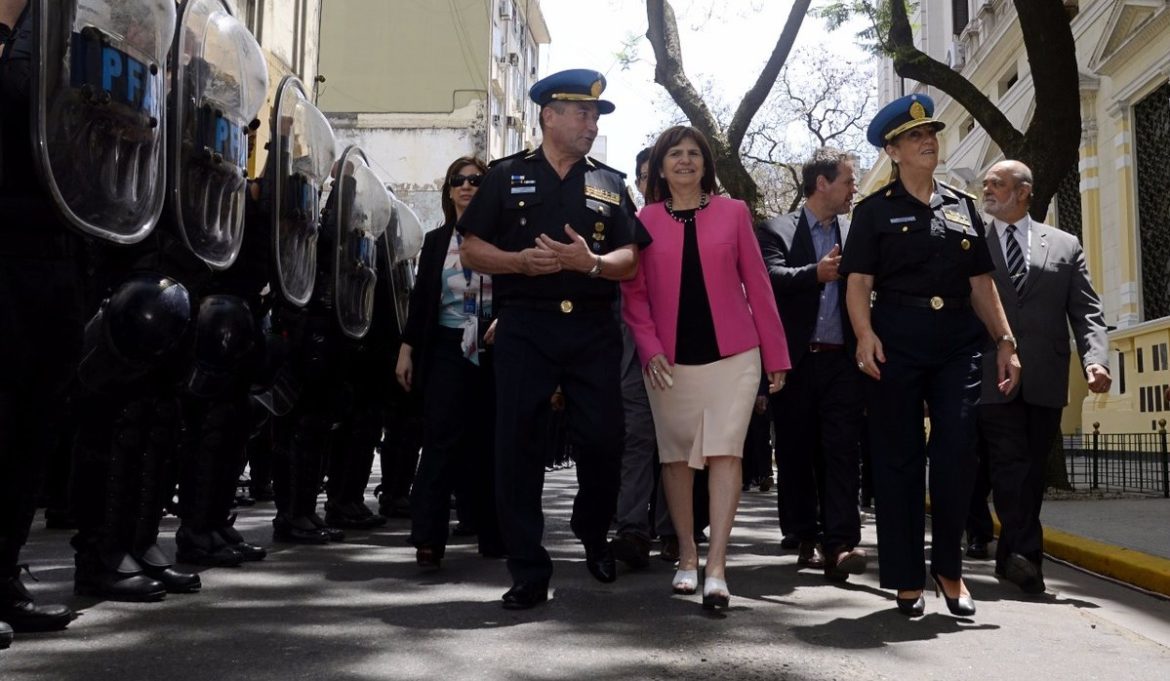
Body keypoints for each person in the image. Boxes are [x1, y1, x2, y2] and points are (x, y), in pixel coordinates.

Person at [458, 69, 648, 610]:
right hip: (526, 326)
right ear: (549, 115)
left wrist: (593, 264)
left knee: (605, 441)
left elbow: (631, 258)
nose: (592, 124)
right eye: (583, 113)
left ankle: (592, 532)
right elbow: (472, 249)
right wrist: (517, 262)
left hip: (592, 328)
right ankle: (527, 568)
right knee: (517, 446)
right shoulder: (505, 175)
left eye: (595, 116)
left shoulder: (610, 183)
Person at [839, 94, 1021, 618]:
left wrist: (1006, 341)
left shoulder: (962, 206)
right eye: (915, 137)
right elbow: (858, 283)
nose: (928, 142)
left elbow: (981, 283)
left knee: (957, 453)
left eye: (931, 134)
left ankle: (949, 569)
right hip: (895, 339)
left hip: (957, 343)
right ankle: (904, 575)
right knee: (897, 459)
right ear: (893, 151)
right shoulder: (874, 211)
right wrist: (864, 335)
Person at [622, 125, 789, 611]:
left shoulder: (733, 213)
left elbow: (758, 284)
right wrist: (649, 348)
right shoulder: (644, 219)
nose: (685, 160)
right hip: (668, 360)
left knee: (725, 454)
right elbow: (634, 296)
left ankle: (716, 566)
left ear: (706, 164)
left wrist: (776, 354)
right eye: (675, 153)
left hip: (735, 355)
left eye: (694, 153)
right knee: (676, 459)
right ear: (659, 165)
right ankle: (687, 554)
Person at [978, 159, 1110, 594]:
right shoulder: (973, 243)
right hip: (992, 373)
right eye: (985, 184)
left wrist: (1096, 360)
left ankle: (1010, 557)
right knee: (1008, 464)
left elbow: (1086, 309)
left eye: (997, 184)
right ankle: (1028, 556)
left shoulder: (1066, 245)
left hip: (1046, 375)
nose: (987, 190)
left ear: (1023, 192)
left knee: (1032, 470)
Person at [0, 0, 78, 640]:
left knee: (31, 432)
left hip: (55, 248)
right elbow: (18, 95)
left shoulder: (62, 28)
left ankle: (3, 576)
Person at [757, 147, 868, 583]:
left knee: (843, 451)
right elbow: (768, 279)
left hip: (843, 362)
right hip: (795, 362)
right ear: (822, 183)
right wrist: (814, 273)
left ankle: (841, 543)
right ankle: (805, 534)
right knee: (796, 451)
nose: (854, 189)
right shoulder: (776, 230)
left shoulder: (856, 232)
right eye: (848, 180)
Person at [396, 155, 503, 569]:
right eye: (458, 180)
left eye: (476, 180)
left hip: (494, 345)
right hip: (446, 344)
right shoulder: (436, 240)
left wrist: (505, 320)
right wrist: (406, 349)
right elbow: (421, 299)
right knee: (440, 439)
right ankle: (428, 538)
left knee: (491, 441)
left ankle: (493, 533)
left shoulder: (504, 237)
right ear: (449, 190)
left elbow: (517, 288)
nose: (467, 186)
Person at [609, 147, 657, 570]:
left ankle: (677, 531)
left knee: (682, 446)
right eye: (644, 176)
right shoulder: (624, 227)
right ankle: (632, 529)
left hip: (685, 353)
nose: (652, 181)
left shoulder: (702, 223)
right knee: (637, 439)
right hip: (631, 353)